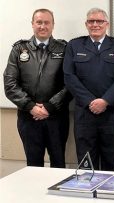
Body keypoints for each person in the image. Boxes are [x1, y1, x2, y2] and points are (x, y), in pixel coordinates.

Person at [63, 8, 114, 171]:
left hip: (112, 114)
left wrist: (105, 101)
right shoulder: (74, 45)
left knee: (111, 162)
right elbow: (69, 76)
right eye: (91, 21)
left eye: (99, 21)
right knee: (86, 164)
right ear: (86, 24)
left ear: (106, 24)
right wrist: (90, 101)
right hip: (85, 114)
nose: (95, 24)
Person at [3, 8, 71, 168]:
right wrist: (31, 106)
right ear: (32, 24)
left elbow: (71, 84)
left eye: (47, 22)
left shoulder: (65, 49)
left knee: (58, 165)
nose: (43, 26)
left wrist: (49, 107)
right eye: (39, 22)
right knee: (33, 166)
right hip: (29, 118)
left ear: (53, 25)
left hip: (56, 118)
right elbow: (10, 84)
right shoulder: (19, 50)